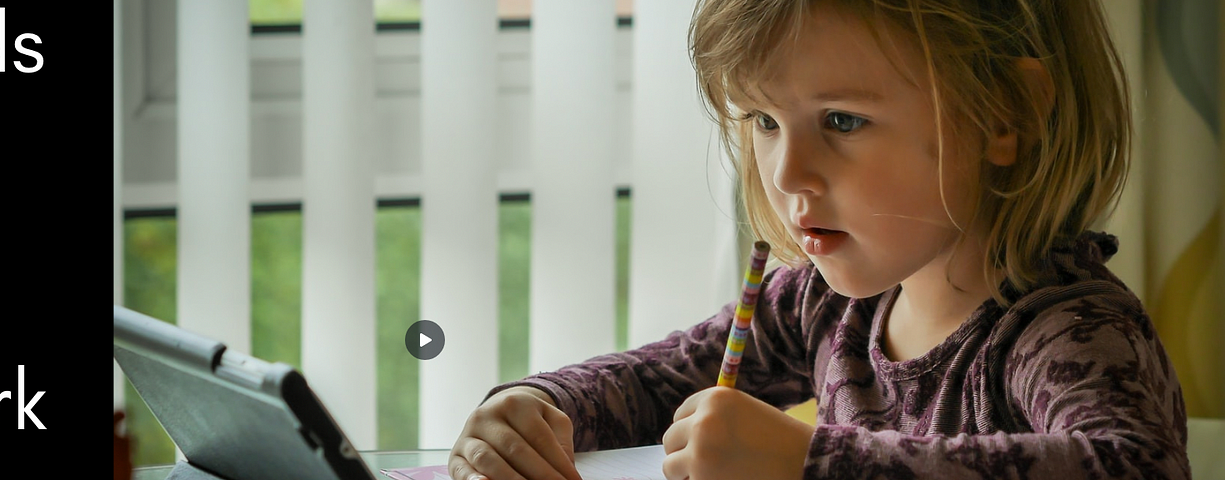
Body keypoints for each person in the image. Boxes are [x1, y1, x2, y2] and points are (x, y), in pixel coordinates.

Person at [448, 1, 1189, 479]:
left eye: (841, 120)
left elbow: (1134, 466)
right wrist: (536, 406)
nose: (786, 173)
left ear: (1006, 114)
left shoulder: (1068, 331)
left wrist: (812, 461)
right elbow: (653, 382)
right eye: (764, 122)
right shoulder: (820, 304)